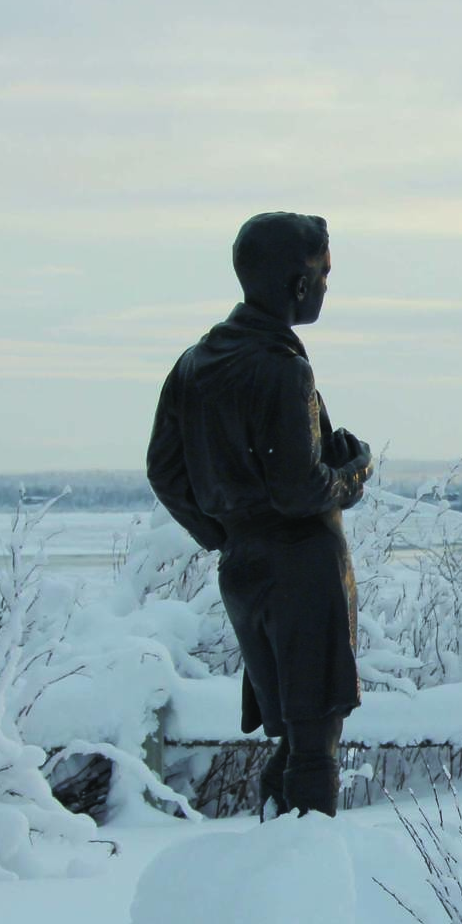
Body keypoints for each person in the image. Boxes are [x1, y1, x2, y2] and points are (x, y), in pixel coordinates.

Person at [145, 211, 373, 817]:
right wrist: (353, 475)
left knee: (296, 736)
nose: (327, 287)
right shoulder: (282, 368)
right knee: (315, 743)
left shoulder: (195, 364)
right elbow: (301, 491)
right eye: (324, 275)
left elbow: (165, 471)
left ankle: (276, 853)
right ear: (299, 284)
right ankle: (306, 880)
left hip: (246, 571)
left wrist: (225, 534)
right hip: (303, 568)